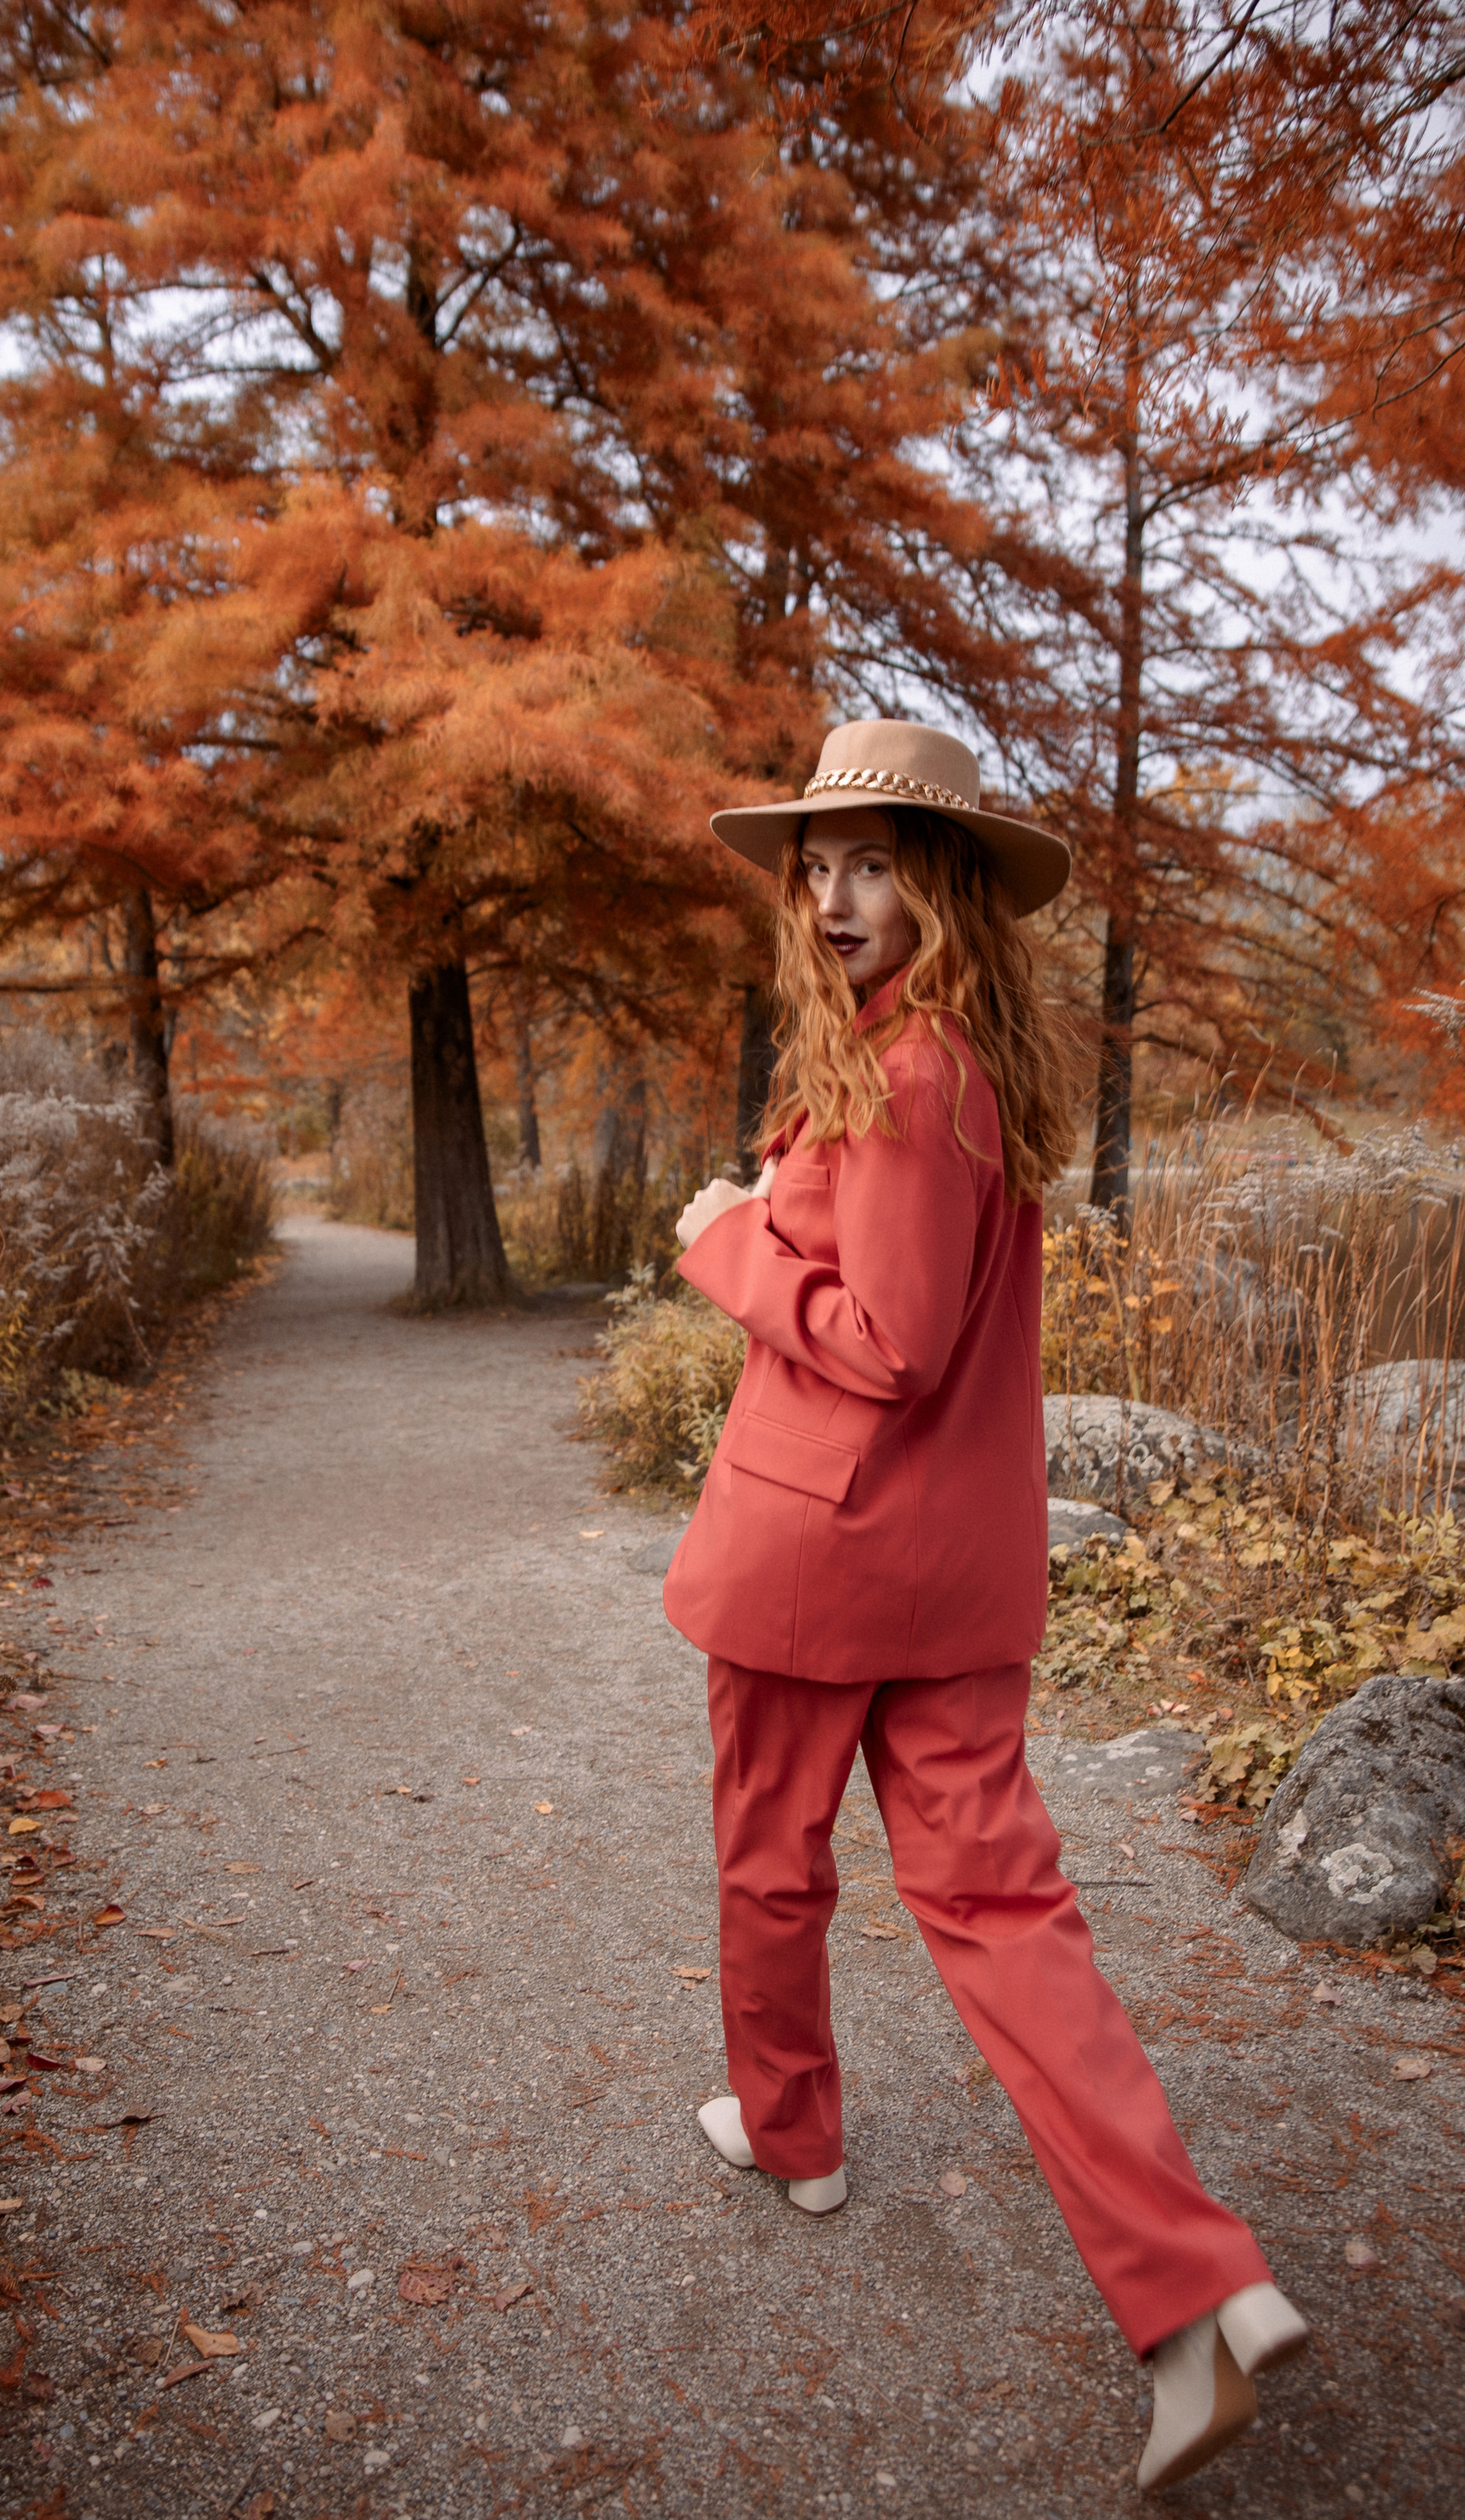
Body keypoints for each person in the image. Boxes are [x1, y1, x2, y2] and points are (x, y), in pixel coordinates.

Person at [661, 720, 1309, 2494]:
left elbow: (887, 1341)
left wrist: (731, 1234)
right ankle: (1198, 2293)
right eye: (819, 858)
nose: (834, 891)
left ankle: (793, 2134)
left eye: (876, 859)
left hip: (819, 1553)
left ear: (942, 885)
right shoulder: (941, 1060)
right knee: (1007, 1919)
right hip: (945, 1571)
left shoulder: (917, 1073)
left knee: (771, 1853)